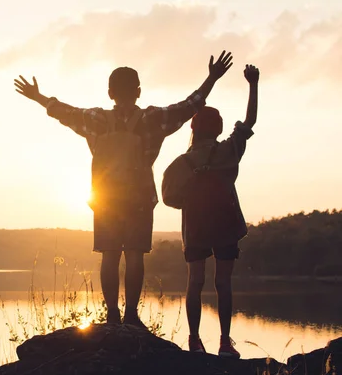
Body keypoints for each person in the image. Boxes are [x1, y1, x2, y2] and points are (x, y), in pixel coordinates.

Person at [14, 51, 234, 327]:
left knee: (109, 255)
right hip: (139, 197)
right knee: (134, 255)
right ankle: (131, 315)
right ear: (138, 91)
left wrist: (38, 96)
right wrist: (212, 78)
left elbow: (64, 112)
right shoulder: (152, 119)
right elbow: (189, 105)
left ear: (110, 93)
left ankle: (112, 316)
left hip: (105, 198)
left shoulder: (97, 119)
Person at [180, 64, 259, 358]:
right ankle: (225, 342)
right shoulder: (228, 151)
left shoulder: (184, 161)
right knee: (223, 283)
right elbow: (250, 120)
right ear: (220, 129)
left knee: (195, 282)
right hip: (225, 223)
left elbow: (171, 196)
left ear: (193, 128)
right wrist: (253, 84)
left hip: (196, 226)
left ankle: (194, 341)